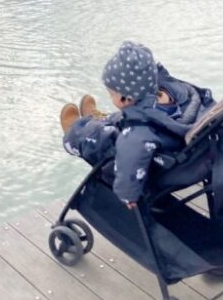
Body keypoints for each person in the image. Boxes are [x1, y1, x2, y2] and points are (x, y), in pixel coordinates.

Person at [60, 41, 214, 208]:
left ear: (123, 98)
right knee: (132, 113)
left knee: (103, 136)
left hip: (155, 155)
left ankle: (77, 130)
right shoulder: (179, 94)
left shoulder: (138, 135)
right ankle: (102, 119)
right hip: (178, 137)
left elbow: (129, 166)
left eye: (112, 94)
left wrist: (128, 196)